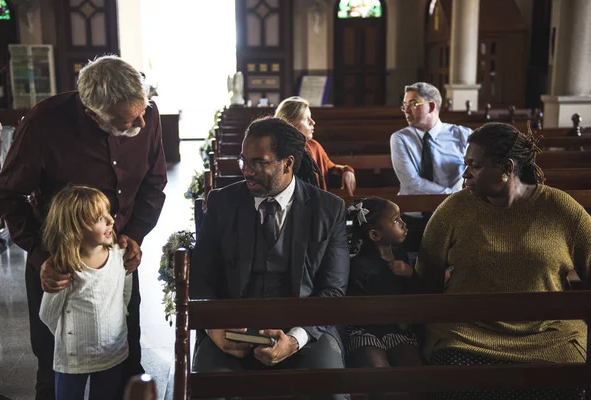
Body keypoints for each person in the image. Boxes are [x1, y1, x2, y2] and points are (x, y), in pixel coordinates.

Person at [0, 55, 167, 400]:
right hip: (58, 265)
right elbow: (8, 194)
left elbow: (153, 182)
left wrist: (134, 233)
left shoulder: (145, 114)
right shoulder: (45, 122)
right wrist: (44, 256)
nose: (142, 124)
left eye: (144, 111)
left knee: (126, 355)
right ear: (94, 115)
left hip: (116, 263)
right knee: (54, 362)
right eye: (127, 122)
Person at [416, 122, 590, 400]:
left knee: (567, 384)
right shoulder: (454, 209)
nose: (465, 174)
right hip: (466, 336)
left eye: (475, 165)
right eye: (466, 164)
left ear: (507, 168)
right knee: (459, 386)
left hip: (550, 335)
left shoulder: (560, 208)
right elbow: (426, 280)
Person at [190, 117, 350, 400]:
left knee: (329, 392)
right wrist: (215, 330)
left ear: (288, 163)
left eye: (258, 163)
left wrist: (294, 339)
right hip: (232, 328)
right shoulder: (222, 203)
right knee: (210, 390)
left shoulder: (328, 209)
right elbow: (201, 278)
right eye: (243, 161)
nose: (247, 171)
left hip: (306, 329)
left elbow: (333, 291)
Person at [39, 185, 131, 400]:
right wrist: (70, 335)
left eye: (108, 213)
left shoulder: (121, 256)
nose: (110, 221)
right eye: (100, 218)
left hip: (112, 352)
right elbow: (48, 314)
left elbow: (125, 295)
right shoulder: (65, 267)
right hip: (74, 358)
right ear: (75, 228)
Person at [345, 197, 422, 400]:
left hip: (396, 329)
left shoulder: (402, 256)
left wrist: (411, 274)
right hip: (364, 330)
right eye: (396, 220)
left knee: (414, 368)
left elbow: (414, 295)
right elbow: (355, 308)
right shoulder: (357, 265)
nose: (404, 224)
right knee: (379, 371)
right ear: (375, 234)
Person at [390, 82, 471, 253]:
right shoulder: (400, 138)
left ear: (431, 106)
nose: (406, 110)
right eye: (404, 106)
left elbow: (473, 172)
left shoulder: (463, 135)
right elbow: (411, 181)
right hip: (413, 218)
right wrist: (451, 195)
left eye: (413, 104)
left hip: (454, 217)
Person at [275, 96, 357, 195]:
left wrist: (346, 170)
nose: (313, 122)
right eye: (306, 119)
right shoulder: (277, 149)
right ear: (290, 123)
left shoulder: (313, 145)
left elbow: (330, 168)